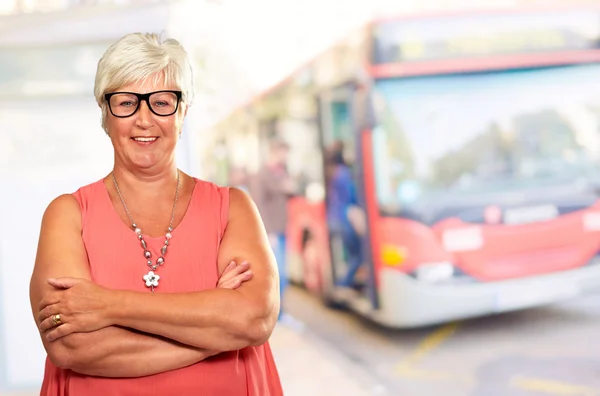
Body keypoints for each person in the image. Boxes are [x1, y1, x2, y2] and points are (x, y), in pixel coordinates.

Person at [29, 32, 282, 395]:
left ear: (183, 111)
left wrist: (107, 305)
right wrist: (217, 331)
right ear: (105, 111)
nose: (144, 119)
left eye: (161, 102)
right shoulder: (67, 215)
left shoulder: (233, 208)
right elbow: (72, 346)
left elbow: (254, 319)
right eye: (127, 102)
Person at [254, 138, 295, 320]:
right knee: (279, 275)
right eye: (283, 153)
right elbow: (259, 205)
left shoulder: (282, 172)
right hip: (272, 233)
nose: (286, 157)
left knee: (282, 274)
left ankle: (280, 313)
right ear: (274, 152)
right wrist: (268, 232)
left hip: (281, 229)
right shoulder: (261, 174)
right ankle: (276, 314)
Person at [325, 141, 364, 289]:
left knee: (350, 254)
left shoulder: (333, 172)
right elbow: (352, 196)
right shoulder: (344, 173)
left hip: (334, 218)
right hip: (345, 220)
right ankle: (343, 284)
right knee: (357, 256)